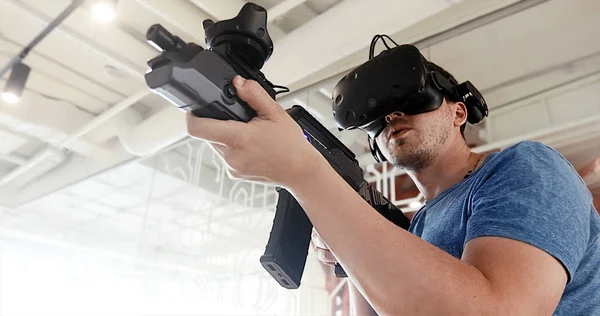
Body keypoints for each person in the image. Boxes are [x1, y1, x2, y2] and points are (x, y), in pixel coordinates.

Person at [186, 62, 600, 314]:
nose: (393, 117)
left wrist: (305, 172)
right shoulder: (415, 228)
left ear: (459, 112)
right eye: (377, 119)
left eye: (417, 101)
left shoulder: (524, 166)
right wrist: (352, 250)